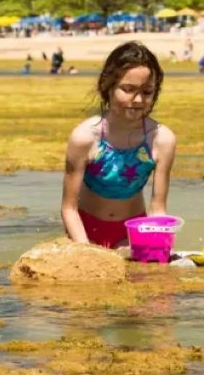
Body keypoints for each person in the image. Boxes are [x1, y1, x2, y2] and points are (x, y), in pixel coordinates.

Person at [60, 42, 176, 249]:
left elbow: (158, 209)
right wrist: (85, 251)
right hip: (86, 231)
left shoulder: (161, 139)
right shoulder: (84, 138)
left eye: (147, 91)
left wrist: (161, 249)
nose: (138, 99)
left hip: (132, 233)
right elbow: (69, 208)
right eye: (128, 89)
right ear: (108, 86)